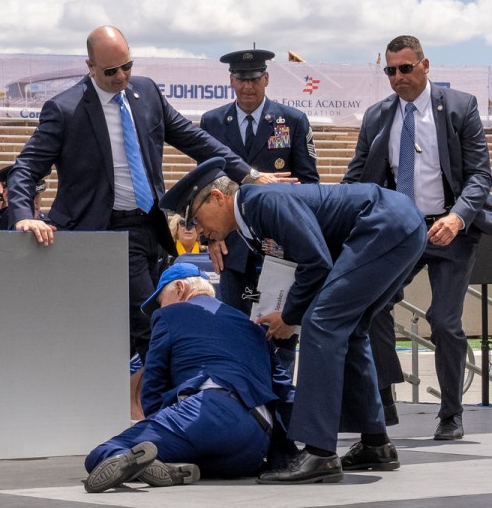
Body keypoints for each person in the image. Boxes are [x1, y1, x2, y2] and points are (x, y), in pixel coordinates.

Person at [5, 25, 286, 419]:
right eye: (110, 71)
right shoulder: (65, 110)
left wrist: (248, 174)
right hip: (102, 233)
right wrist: (22, 216)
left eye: (127, 66)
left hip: (152, 230)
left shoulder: (147, 92)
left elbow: (194, 139)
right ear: (90, 67)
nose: (121, 76)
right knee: (153, 324)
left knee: (148, 323)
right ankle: (169, 413)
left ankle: (147, 409)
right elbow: (26, 168)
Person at [161, 157, 427, 484]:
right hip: (398, 223)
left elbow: (316, 262)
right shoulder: (251, 220)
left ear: (217, 198)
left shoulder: (261, 202)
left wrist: (289, 317)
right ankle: (376, 443)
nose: (199, 232)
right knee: (350, 330)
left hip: (384, 223)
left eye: (197, 219)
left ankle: (320, 454)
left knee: (322, 324)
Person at [344, 35, 492, 439]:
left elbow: (480, 176)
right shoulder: (377, 117)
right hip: (400, 231)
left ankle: (451, 412)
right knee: (369, 307)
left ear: (425, 66)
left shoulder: (460, 107)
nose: (397, 77)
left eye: (405, 68)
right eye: (390, 70)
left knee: (444, 322)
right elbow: (356, 179)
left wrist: (458, 218)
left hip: (451, 230)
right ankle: (383, 397)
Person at [84, 263, 277, 493]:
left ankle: (141, 463)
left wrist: (157, 425)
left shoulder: (169, 315)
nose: (160, 306)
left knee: (103, 454)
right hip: (256, 441)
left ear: (180, 287)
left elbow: (154, 384)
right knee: (198, 458)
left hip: (208, 412)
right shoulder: (251, 324)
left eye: (161, 299)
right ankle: (170, 469)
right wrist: (284, 454)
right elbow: (283, 389)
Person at [200, 49, 319, 375]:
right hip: (233, 248)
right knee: (236, 332)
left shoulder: (292, 121)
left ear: (266, 79)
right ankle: (242, 404)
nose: (247, 87)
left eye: (254, 79)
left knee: (279, 334)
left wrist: (277, 194)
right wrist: (209, 238)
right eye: (241, 79)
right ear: (231, 81)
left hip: (280, 249)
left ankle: (279, 406)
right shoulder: (212, 122)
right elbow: (204, 190)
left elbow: (309, 186)